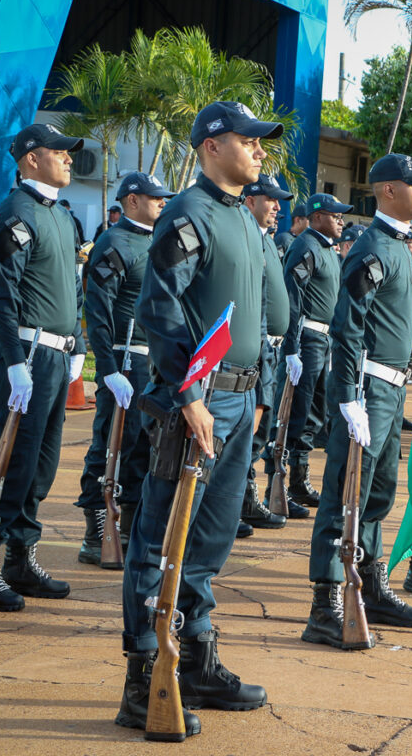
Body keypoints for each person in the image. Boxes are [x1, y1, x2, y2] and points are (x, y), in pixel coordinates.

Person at [116, 101, 283, 735]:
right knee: (160, 540)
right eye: (250, 141)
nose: (259, 151)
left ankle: (196, 661)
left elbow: (256, 319)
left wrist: (261, 390)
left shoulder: (242, 219)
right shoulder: (188, 213)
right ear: (214, 146)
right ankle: (143, 678)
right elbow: (160, 309)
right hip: (199, 397)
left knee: (210, 540)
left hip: (240, 399)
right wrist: (186, 396)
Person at [302, 153, 412, 650]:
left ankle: (372, 585)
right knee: (346, 495)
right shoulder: (374, 249)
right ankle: (326, 604)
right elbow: (347, 325)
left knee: (378, 494)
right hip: (367, 386)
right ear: (387, 190)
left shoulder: (400, 247)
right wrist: (346, 397)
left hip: (391, 386)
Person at [0, 124, 87, 614]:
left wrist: (78, 345)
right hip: (27, 354)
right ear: (31, 159)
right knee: (9, 464)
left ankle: (19, 559)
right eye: (60, 151)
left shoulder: (62, 217)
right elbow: (2, 294)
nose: (70, 159)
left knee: (40, 465)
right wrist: (13, 362)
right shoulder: (17, 213)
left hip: (55, 354)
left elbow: (73, 290)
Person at [75, 171, 174, 567]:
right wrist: (109, 368)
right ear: (132, 200)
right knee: (111, 443)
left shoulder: (155, 242)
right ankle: (96, 530)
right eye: (155, 198)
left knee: (141, 448)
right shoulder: (113, 242)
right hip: (126, 356)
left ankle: (130, 526)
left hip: (151, 359)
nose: (162, 204)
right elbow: (97, 310)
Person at [278, 192, 351, 515]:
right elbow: (292, 299)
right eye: (335, 215)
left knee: (314, 413)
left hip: (323, 342)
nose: (340, 221)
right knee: (295, 413)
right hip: (306, 338)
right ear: (317, 216)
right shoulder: (305, 246)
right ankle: (279, 484)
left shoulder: (326, 250)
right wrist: (291, 347)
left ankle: (299, 479)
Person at [241, 174, 296, 532]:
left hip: (272, 351)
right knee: (246, 432)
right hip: (252, 349)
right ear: (250, 201)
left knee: (262, 432)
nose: (278, 207)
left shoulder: (267, 242)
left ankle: (247, 500)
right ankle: (237, 503)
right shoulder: (247, 238)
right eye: (271, 200)